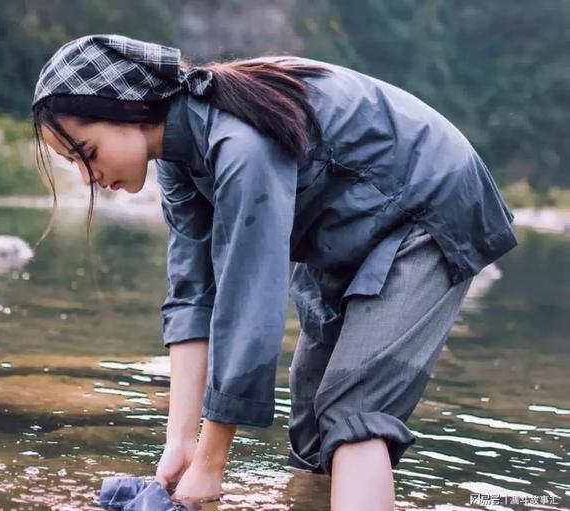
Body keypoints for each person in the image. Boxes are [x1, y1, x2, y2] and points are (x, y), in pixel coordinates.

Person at [31, 34, 518, 510]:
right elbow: (192, 297)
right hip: (345, 228)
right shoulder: (176, 158)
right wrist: (179, 445)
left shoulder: (241, 144)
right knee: (310, 432)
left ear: (132, 110)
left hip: (425, 209)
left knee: (354, 415)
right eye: (74, 162)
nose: (88, 177)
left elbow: (250, 302)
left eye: (88, 154)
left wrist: (212, 462)